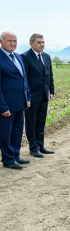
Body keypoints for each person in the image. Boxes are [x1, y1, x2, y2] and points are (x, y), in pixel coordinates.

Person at [0, 31, 31, 169]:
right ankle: (8, 159)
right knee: (6, 132)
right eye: (9, 41)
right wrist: (3, 107)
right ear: (1, 41)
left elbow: (24, 79)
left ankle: (15, 155)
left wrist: (27, 97)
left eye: (15, 41)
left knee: (17, 130)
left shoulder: (18, 57)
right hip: (7, 105)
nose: (13, 43)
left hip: (20, 102)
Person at [21, 33, 55, 158]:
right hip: (31, 97)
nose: (42, 45)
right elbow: (24, 79)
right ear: (31, 43)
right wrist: (27, 97)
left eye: (43, 42)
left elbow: (50, 75)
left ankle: (41, 146)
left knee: (41, 122)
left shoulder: (46, 57)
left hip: (44, 96)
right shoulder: (25, 57)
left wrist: (51, 90)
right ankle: (33, 148)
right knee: (31, 123)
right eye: (39, 42)